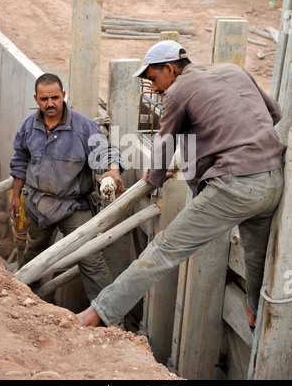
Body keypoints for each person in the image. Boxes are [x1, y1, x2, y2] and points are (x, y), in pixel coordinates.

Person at [77, 40, 287, 330]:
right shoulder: (233, 70)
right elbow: (274, 113)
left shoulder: (178, 90)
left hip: (234, 186)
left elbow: (164, 143)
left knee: (162, 250)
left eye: (153, 79)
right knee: (257, 256)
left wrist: (154, 177)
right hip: (273, 180)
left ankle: (97, 313)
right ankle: (253, 312)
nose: (155, 89)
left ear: (171, 69)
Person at [9, 73, 124, 302]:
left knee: (90, 258)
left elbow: (105, 152)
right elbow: (20, 159)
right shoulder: (29, 126)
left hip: (73, 206)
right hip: (37, 205)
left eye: (54, 97)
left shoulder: (83, 126)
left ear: (63, 96)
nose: (49, 103)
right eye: (44, 99)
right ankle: (26, 307)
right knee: (32, 257)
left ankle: (108, 316)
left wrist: (113, 171)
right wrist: (15, 196)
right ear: (36, 99)